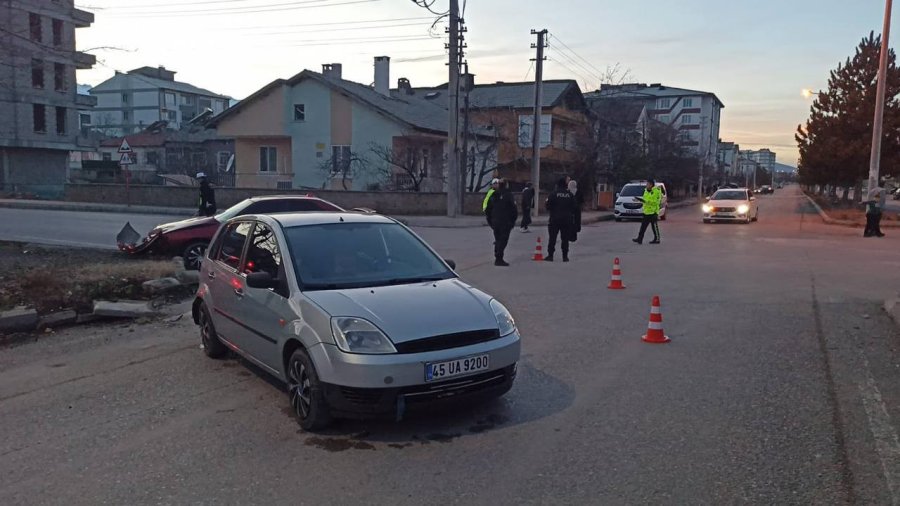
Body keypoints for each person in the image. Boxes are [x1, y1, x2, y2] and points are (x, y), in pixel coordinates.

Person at [485, 179, 518, 266]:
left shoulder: (493, 195)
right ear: (506, 185)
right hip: (505, 221)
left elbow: (488, 209)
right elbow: (514, 209)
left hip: (495, 221)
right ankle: (499, 258)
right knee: (503, 240)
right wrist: (513, 221)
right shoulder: (508, 195)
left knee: (498, 239)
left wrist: (490, 220)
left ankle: (497, 257)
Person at [545, 177, 577, 262]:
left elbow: (547, 206)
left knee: (552, 238)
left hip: (554, 219)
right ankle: (565, 256)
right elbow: (574, 207)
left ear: (557, 185)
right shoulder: (570, 195)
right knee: (565, 239)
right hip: (566, 220)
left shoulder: (553, 194)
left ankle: (550, 256)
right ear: (566, 185)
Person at [632, 179, 662, 245]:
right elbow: (645, 200)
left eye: (647, 184)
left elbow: (655, 202)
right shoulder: (646, 191)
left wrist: (644, 201)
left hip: (653, 212)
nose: (646, 185)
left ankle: (657, 239)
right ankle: (639, 239)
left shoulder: (656, 191)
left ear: (651, 185)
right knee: (643, 226)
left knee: (654, 226)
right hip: (646, 212)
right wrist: (639, 200)